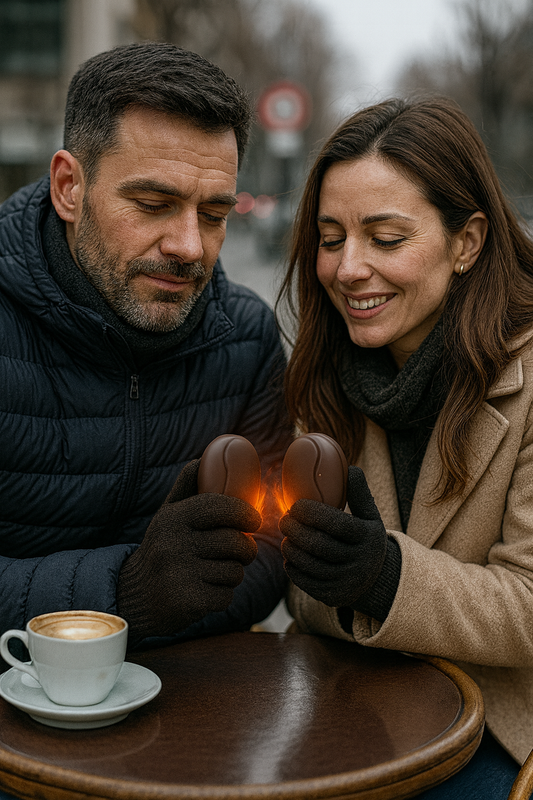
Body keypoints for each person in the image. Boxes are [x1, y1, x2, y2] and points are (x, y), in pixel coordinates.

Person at [0, 42, 291, 667]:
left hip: (193, 706)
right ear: (69, 187)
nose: (189, 246)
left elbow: (271, 551)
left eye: (214, 214)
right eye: (154, 205)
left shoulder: (247, 338)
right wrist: (126, 595)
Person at [277, 96, 533, 798]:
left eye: (385, 238)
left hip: (493, 727)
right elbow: (301, 592)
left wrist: (385, 578)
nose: (348, 268)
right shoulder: (325, 370)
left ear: (467, 243)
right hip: (345, 705)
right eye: (331, 238)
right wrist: (333, 575)